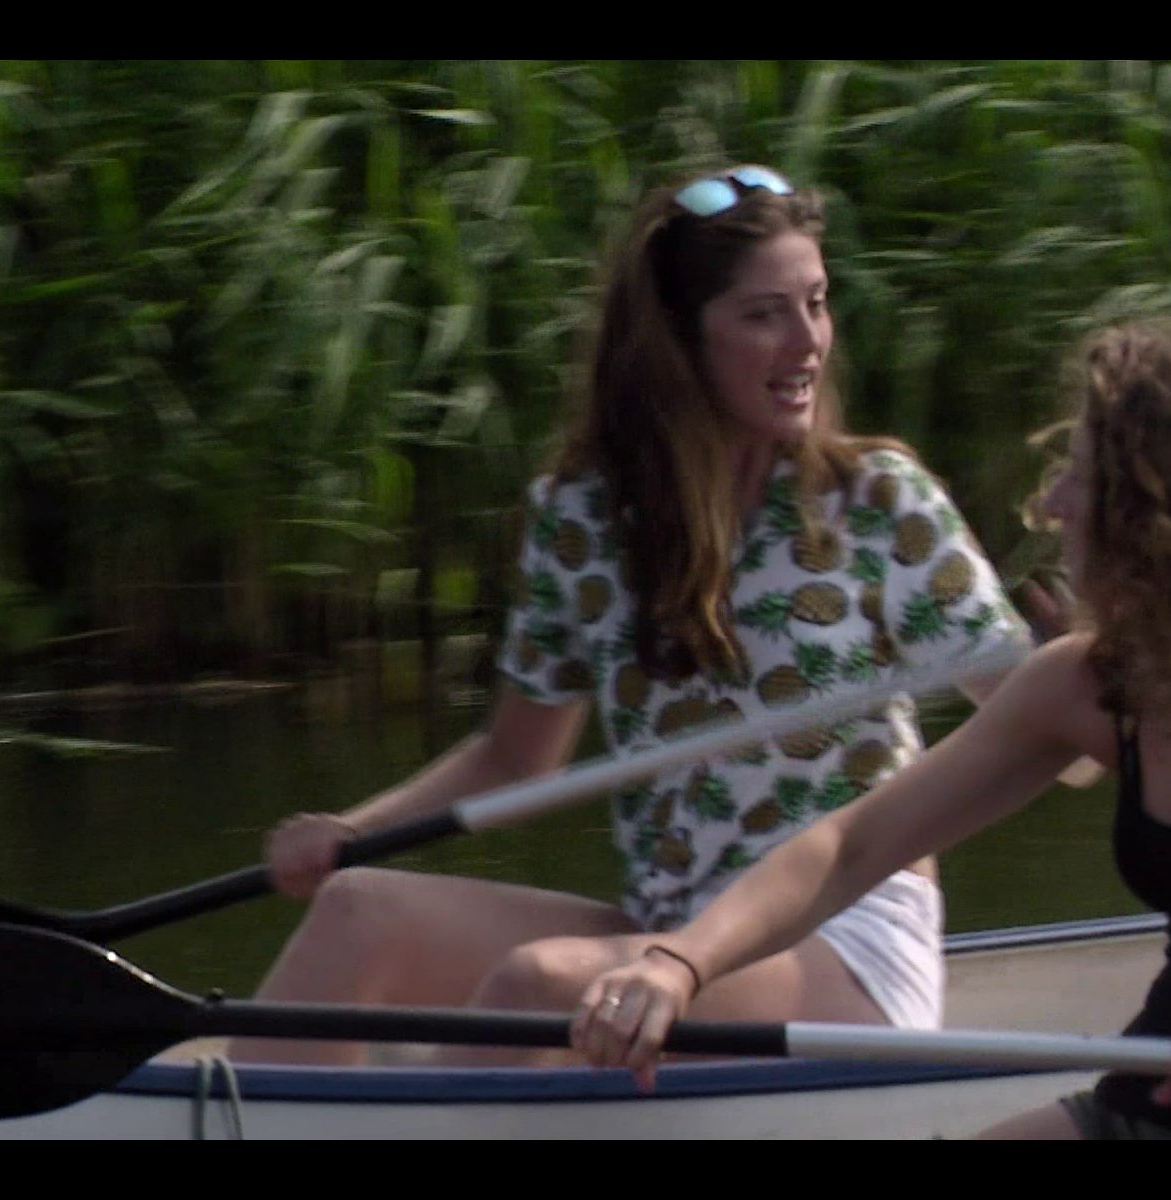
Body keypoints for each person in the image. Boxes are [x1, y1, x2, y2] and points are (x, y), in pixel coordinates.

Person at [226, 165, 1030, 1066]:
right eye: (764, 315)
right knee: (357, 911)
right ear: (680, 341)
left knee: (543, 983)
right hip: (666, 929)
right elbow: (514, 757)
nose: (808, 341)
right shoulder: (583, 519)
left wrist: (1101, 662)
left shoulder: (877, 500)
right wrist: (353, 832)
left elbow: (1045, 728)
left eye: (816, 303)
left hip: (841, 941)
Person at [569, 312, 1171, 1139]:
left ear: (1170, 513)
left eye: (1083, 476)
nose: (1053, 504)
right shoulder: (1093, 685)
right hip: (1154, 1100)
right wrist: (679, 963)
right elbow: (850, 848)